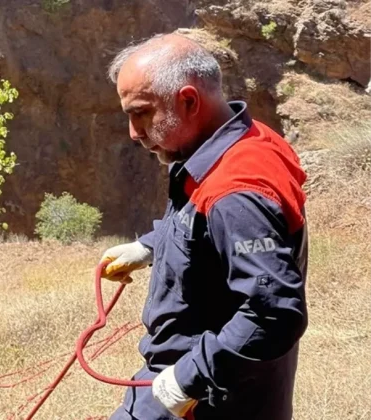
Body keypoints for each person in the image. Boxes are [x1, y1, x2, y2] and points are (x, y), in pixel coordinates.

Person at [100, 33, 309, 420]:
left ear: (189, 101)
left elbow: (274, 312)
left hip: (207, 398)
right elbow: (206, 224)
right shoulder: (239, 142)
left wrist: (186, 380)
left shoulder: (236, 189)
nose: (133, 132)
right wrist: (150, 246)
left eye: (141, 112)